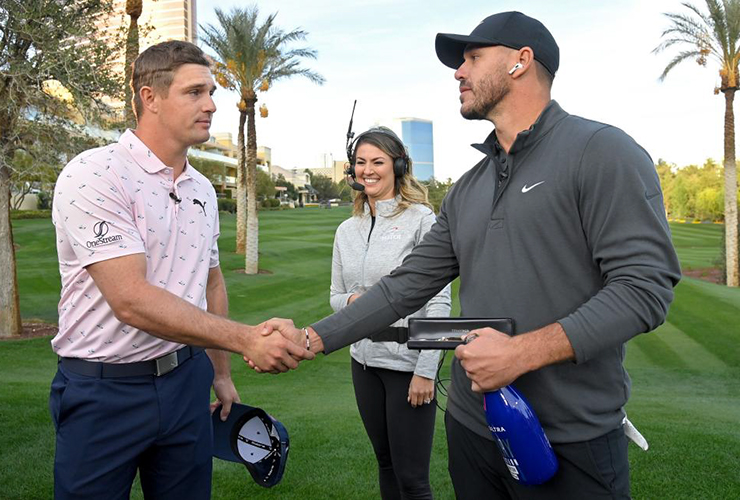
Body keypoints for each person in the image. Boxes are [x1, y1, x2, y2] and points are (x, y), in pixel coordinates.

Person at [268, 11, 681, 500]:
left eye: (473, 57)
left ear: (520, 62)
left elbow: (645, 288)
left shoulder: (601, 152)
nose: (458, 72)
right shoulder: (468, 188)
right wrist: (311, 338)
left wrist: (521, 353)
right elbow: (407, 285)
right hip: (472, 426)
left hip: (571, 436)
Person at [49, 40, 312, 500]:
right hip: (103, 391)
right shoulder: (95, 173)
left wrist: (221, 373)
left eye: (211, 92)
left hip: (186, 383)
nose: (211, 105)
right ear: (149, 97)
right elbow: (130, 299)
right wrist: (247, 338)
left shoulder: (203, 188)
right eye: (195, 92)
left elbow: (210, 281)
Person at [333, 127, 451, 499]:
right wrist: (354, 305)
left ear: (398, 166)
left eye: (378, 162)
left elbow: (439, 301)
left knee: (413, 478)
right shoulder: (345, 230)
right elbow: (335, 296)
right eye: (361, 162)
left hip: (408, 367)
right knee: (385, 464)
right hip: (363, 364)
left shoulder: (421, 220)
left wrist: (426, 371)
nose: (368, 170)